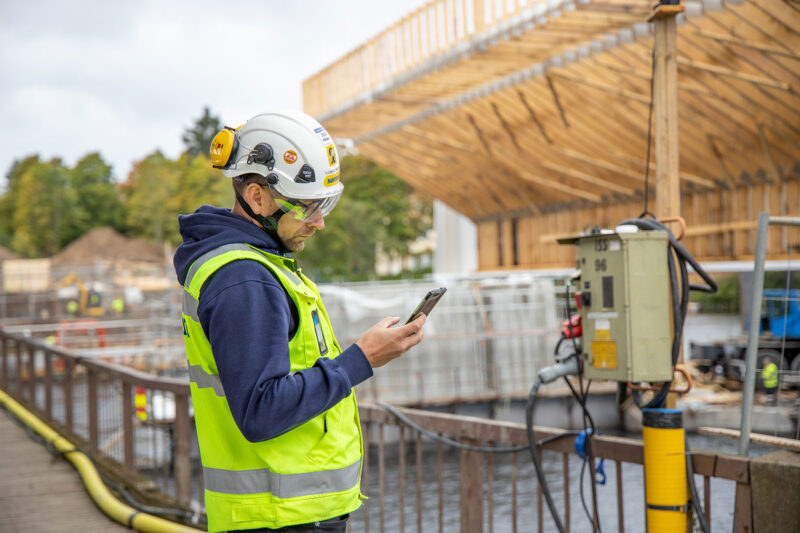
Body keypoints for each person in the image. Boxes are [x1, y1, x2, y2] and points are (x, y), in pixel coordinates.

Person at [173, 111, 426, 533]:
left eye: (326, 204)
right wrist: (361, 359)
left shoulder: (260, 266)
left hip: (284, 513)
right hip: (280, 517)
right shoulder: (243, 278)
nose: (320, 221)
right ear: (257, 197)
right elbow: (260, 410)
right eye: (310, 206)